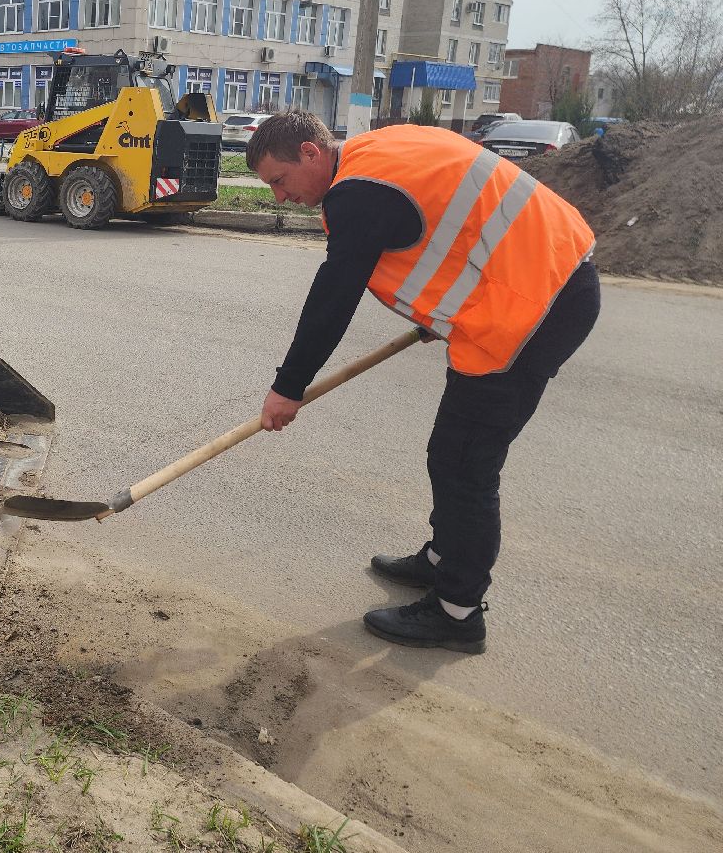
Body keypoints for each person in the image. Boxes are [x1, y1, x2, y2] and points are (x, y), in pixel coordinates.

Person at [247, 112, 600, 654]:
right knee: (450, 453)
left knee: (465, 465)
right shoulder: (377, 153)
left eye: (279, 180)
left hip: (530, 310)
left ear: (310, 153)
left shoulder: (358, 193)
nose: (279, 197)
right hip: (547, 280)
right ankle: (443, 558)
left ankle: (457, 612)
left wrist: (289, 387)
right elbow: (451, 226)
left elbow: (334, 295)